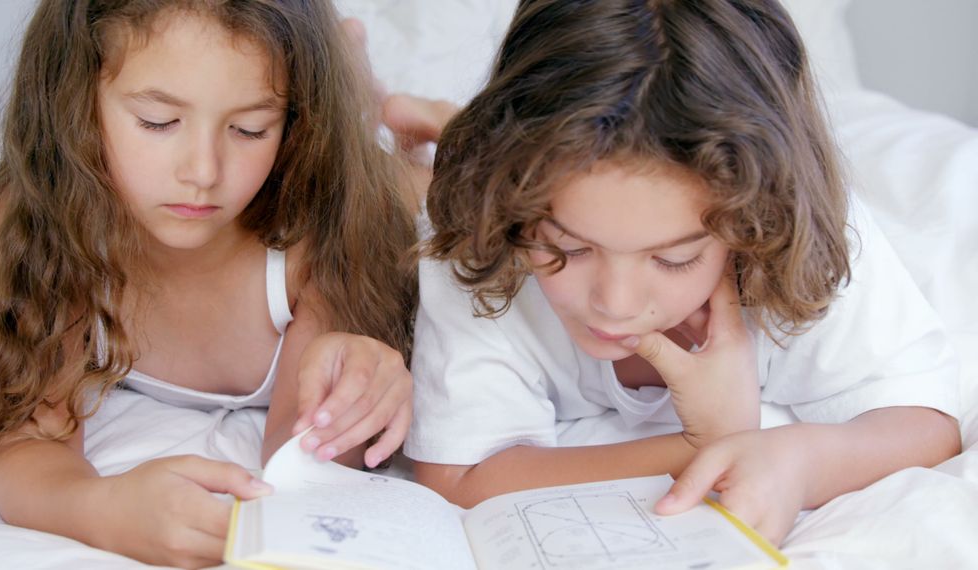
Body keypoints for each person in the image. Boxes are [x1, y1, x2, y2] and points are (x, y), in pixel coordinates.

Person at [402, 0, 962, 545]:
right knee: (395, 197)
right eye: (566, 247)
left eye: (674, 259)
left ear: (753, 221)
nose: (615, 303)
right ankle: (414, 136)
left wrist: (802, 459)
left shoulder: (802, 233)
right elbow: (457, 475)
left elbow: (926, 425)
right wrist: (713, 443)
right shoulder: (484, 227)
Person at [0, 1, 417, 567]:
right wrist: (98, 507)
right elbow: (30, 439)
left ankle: (376, 93)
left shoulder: (320, 233)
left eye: (250, 128)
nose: (203, 172)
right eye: (159, 121)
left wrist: (348, 392)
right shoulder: (43, 223)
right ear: (74, 103)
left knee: (431, 178)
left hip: (389, 184)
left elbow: (303, 463)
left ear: (294, 121)